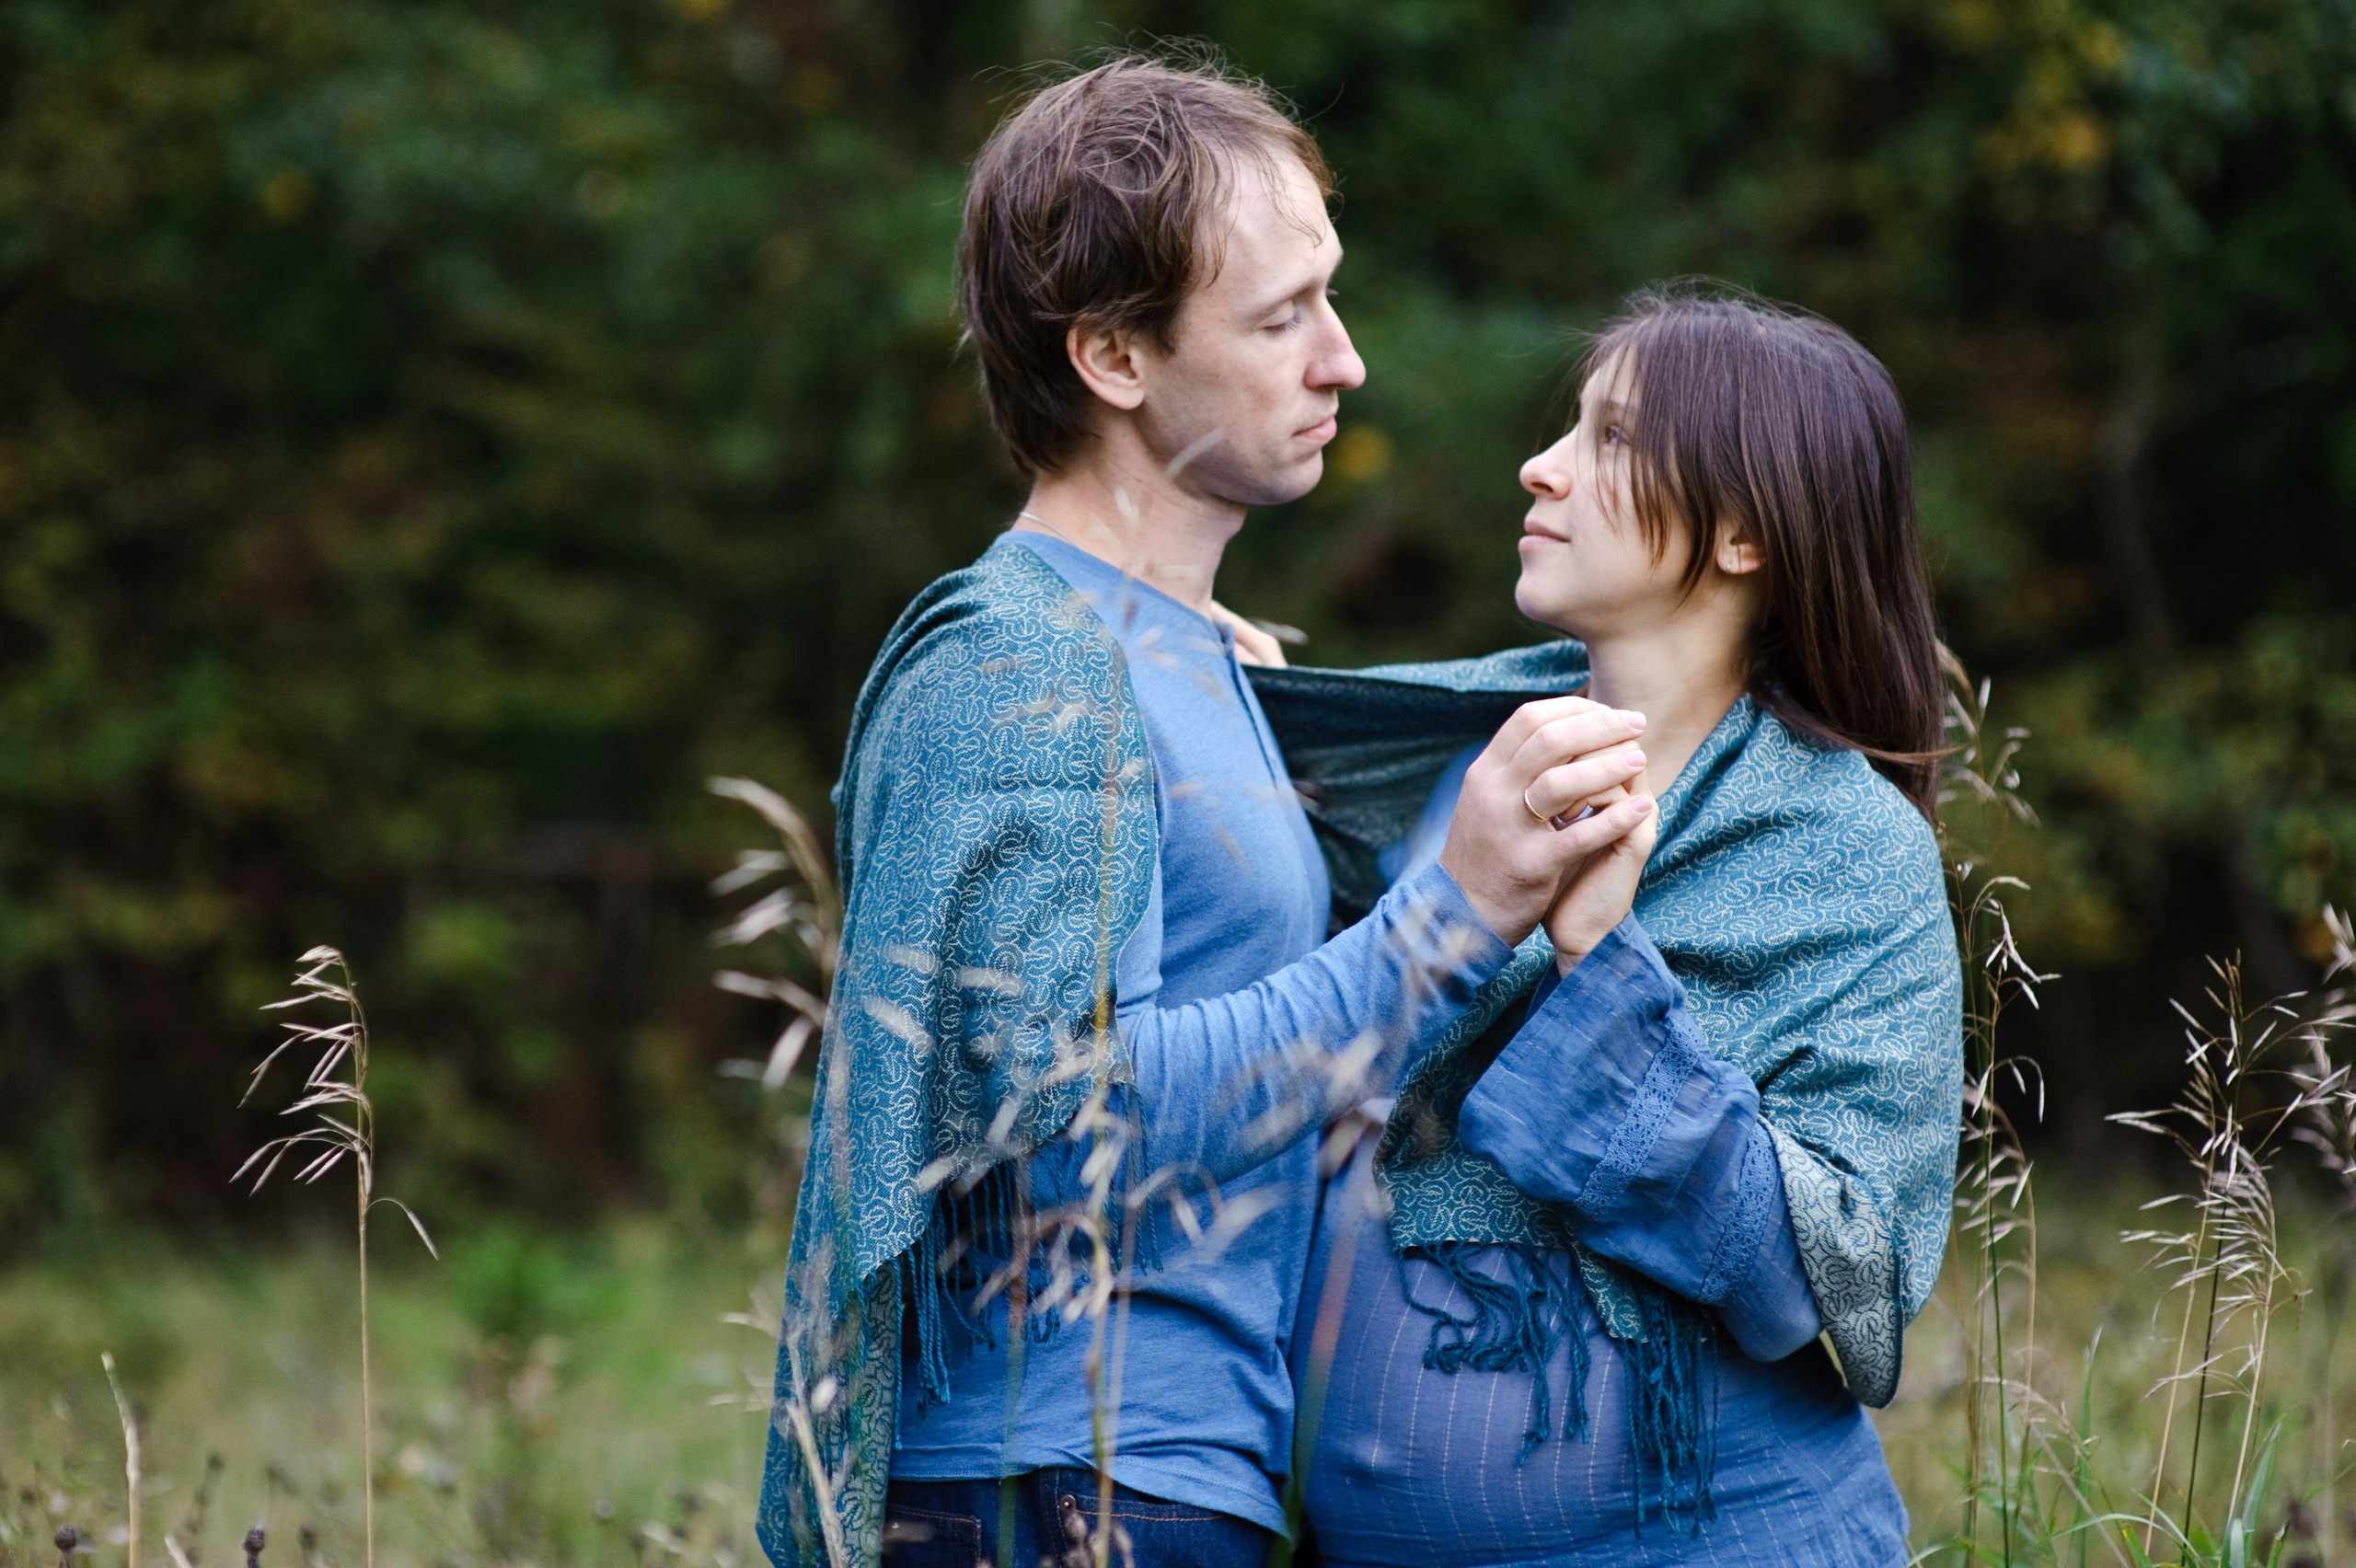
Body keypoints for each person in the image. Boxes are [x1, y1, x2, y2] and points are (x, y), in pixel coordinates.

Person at [753, 56, 1659, 1568]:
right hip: (1055, 1486)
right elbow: (1056, 1126)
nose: (1344, 361)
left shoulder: (1183, 657)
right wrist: (1450, 919)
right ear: (1113, 356)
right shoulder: (1016, 665)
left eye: (1333, 296)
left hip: (1169, 1481)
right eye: (1282, 316)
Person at [1289, 287, 1967, 1567]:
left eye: (1611, 439)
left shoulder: (1845, 850)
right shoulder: (1457, 771)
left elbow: (1842, 1283)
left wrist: (1603, 964)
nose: (1540, 467)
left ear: (1744, 534)